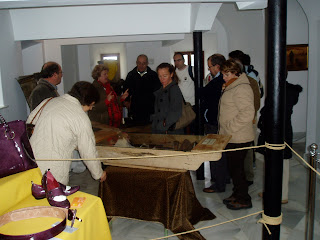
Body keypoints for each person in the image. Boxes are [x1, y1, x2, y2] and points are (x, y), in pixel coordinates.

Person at [27, 81, 107, 185]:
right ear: (86, 101)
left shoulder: (48, 101)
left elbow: (29, 122)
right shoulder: (80, 117)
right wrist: (99, 173)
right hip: (53, 172)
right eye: (91, 105)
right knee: (53, 199)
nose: (91, 109)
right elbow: (88, 151)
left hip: (30, 163)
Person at [257, 73, 302, 204]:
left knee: (283, 164)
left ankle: (282, 195)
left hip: (280, 130)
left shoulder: (287, 91)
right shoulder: (279, 90)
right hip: (272, 129)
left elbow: (276, 110)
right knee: (270, 161)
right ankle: (270, 191)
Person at [219, 59, 255, 210]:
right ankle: (236, 194)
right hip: (232, 136)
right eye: (223, 74)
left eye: (226, 74)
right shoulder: (233, 85)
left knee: (238, 170)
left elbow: (248, 113)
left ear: (235, 72)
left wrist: (230, 127)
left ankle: (244, 199)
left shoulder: (242, 88)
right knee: (234, 169)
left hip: (238, 137)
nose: (224, 77)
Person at [229, 51, 261, 186]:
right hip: (237, 120)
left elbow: (255, 103)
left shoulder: (251, 79)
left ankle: (247, 177)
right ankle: (239, 176)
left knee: (247, 150)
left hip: (246, 120)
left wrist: (245, 119)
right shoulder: (233, 81)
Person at [201, 54, 230, 193]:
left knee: (215, 152)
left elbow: (204, 94)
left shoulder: (218, 82)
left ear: (217, 67)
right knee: (221, 152)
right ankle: (224, 178)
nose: (209, 69)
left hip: (214, 121)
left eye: (210, 66)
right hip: (219, 121)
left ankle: (218, 183)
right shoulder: (220, 81)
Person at [123, 54, 161, 125]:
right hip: (135, 108)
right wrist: (127, 101)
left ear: (147, 63)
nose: (141, 65)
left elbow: (158, 91)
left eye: (143, 63)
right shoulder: (131, 75)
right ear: (136, 63)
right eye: (139, 63)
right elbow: (126, 89)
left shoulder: (153, 75)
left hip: (149, 108)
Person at [151, 63, 183, 134]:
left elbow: (176, 112)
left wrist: (164, 124)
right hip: (161, 127)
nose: (162, 79)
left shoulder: (174, 89)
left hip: (169, 130)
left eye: (165, 76)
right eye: (160, 76)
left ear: (171, 74)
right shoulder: (161, 89)